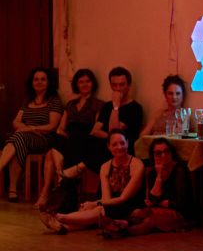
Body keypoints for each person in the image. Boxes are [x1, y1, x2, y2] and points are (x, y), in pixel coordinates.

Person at [38, 130, 144, 234]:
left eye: (122, 143)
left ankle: (59, 217)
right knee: (92, 211)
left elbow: (123, 198)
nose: (119, 147)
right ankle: (62, 227)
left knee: (99, 210)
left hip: (131, 206)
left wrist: (94, 203)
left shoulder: (137, 165)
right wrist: (93, 204)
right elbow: (106, 199)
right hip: (112, 205)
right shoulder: (105, 167)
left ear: (127, 143)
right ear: (109, 147)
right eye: (114, 144)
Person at [37, 68, 105, 210]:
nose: (84, 84)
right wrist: (65, 136)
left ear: (93, 83)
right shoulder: (71, 104)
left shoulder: (99, 104)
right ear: (76, 84)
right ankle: (62, 178)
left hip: (87, 139)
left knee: (53, 152)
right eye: (81, 82)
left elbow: (95, 129)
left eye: (87, 81)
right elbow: (61, 128)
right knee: (54, 140)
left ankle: (49, 192)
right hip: (70, 138)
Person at [0, 67, 63, 202]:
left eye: (43, 79)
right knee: (19, 142)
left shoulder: (54, 101)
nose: (39, 82)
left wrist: (31, 128)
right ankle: (12, 190)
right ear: (32, 82)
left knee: (18, 138)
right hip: (25, 138)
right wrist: (28, 130)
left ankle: (10, 185)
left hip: (44, 139)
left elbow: (52, 126)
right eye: (36, 79)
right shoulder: (28, 101)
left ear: (48, 82)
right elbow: (15, 122)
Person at [125, 137, 195, 235]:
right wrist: (159, 175)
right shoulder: (153, 172)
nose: (163, 155)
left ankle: (122, 232)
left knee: (149, 221)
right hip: (161, 209)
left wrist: (166, 203)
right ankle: (118, 226)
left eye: (166, 151)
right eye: (158, 153)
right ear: (153, 155)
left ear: (171, 152)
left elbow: (184, 203)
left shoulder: (180, 170)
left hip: (179, 213)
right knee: (136, 213)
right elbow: (153, 200)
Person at [92, 67, 144, 150]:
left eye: (122, 84)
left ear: (128, 85)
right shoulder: (107, 106)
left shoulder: (135, 108)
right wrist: (109, 136)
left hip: (122, 148)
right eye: (114, 85)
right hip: (103, 146)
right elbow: (94, 131)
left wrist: (116, 107)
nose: (118, 88)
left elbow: (114, 132)